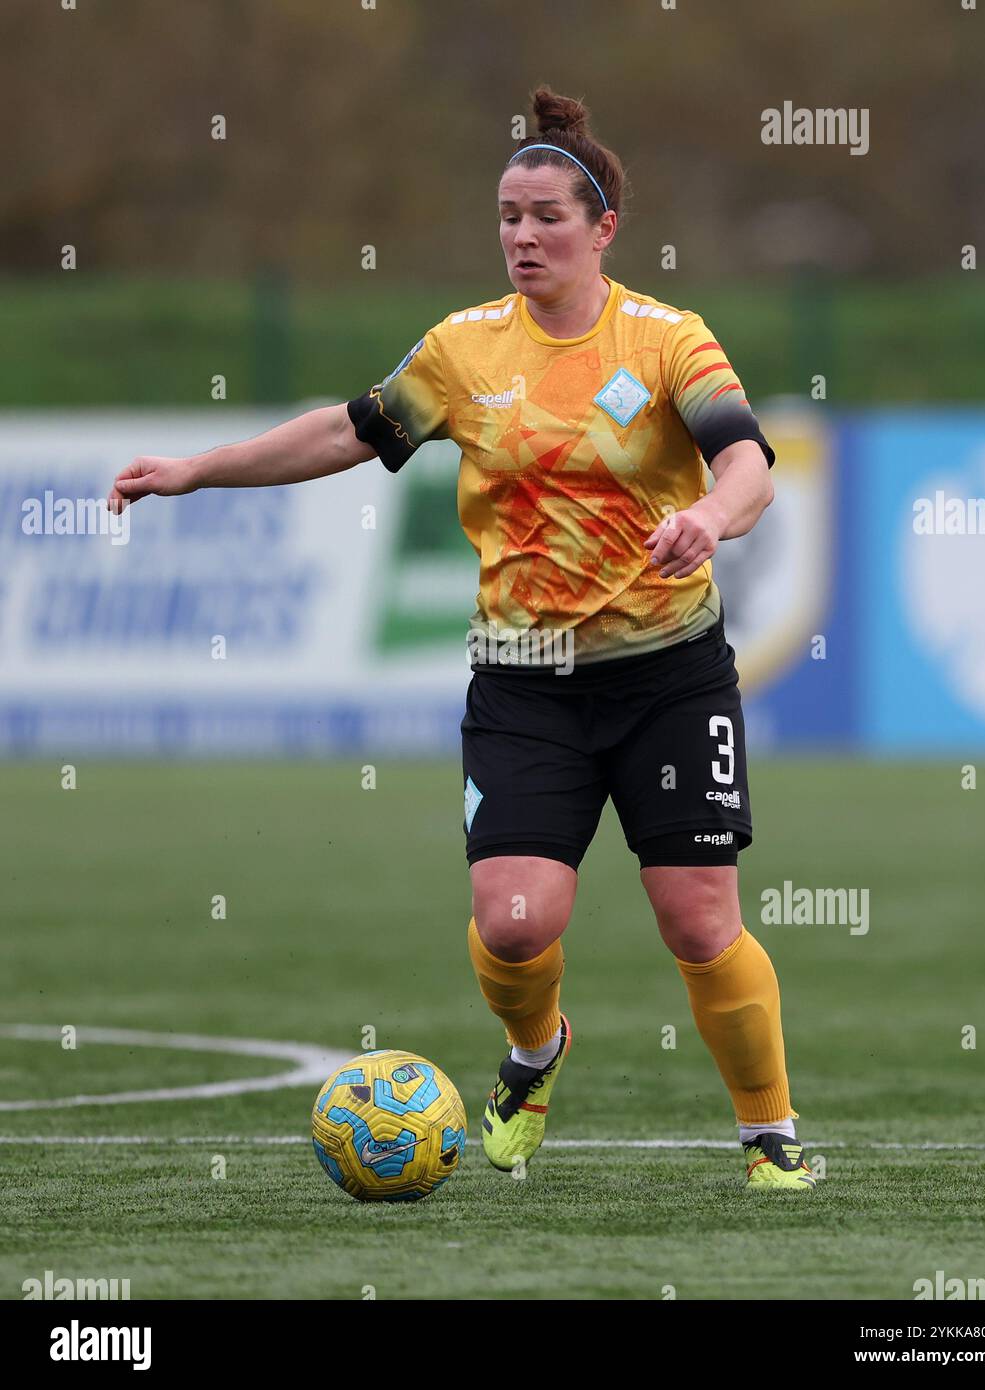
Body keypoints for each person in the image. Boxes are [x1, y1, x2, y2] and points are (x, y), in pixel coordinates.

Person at [109, 86, 813, 1191]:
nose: (523, 236)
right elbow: (346, 431)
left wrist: (707, 518)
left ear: (603, 229)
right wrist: (199, 469)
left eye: (546, 217)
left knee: (694, 917)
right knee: (518, 920)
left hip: (669, 676)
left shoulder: (667, 341)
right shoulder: (464, 350)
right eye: (507, 216)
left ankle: (768, 1135)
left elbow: (748, 462)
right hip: (525, 682)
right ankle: (535, 1055)